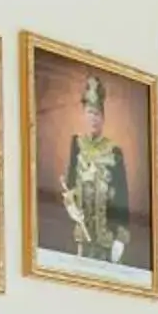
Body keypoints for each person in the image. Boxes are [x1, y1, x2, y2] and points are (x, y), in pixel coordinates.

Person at [60, 72, 130, 263]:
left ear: (103, 118)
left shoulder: (114, 152)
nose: (94, 119)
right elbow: (70, 185)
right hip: (81, 238)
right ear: (84, 115)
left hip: (108, 239)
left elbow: (123, 198)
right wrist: (70, 208)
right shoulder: (76, 145)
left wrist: (120, 240)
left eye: (97, 114)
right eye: (90, 113)